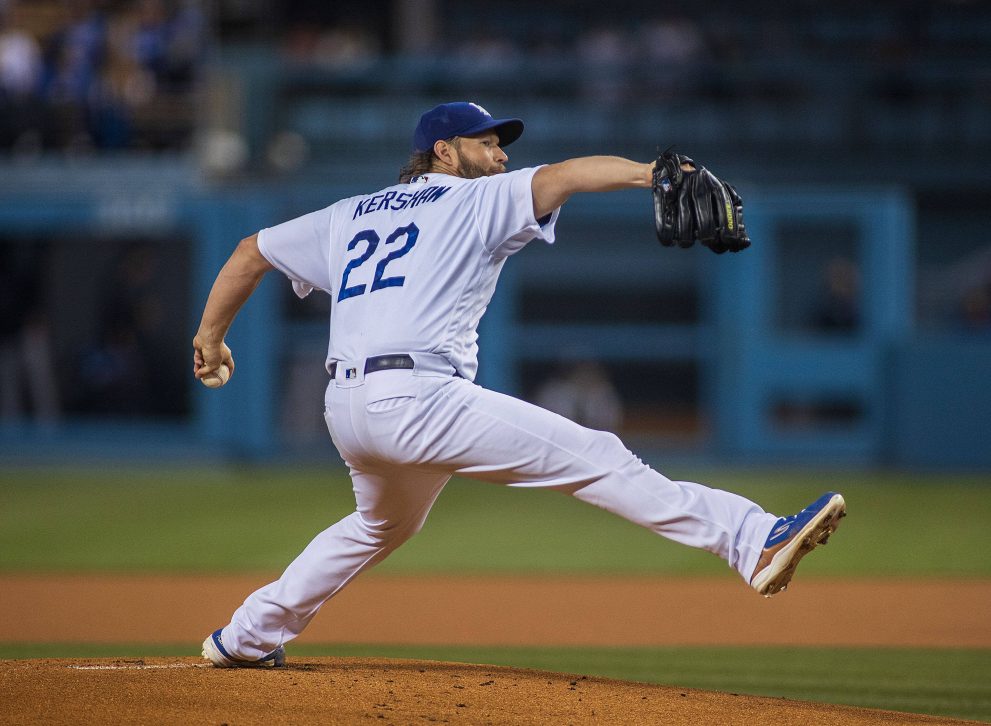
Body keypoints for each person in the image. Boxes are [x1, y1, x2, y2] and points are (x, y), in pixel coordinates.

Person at [194, 101, 846, 668]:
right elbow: (565, 176)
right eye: (486, 142)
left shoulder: (347, 215)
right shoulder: (472, 196)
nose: (500, 153)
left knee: (377, 526)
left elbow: (250, 251)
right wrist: (651, 173)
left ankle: (246, 637)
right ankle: (750, 538)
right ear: (443, 153)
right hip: (419, 399)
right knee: (597, 458)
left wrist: (210, 338)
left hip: (350, 410)